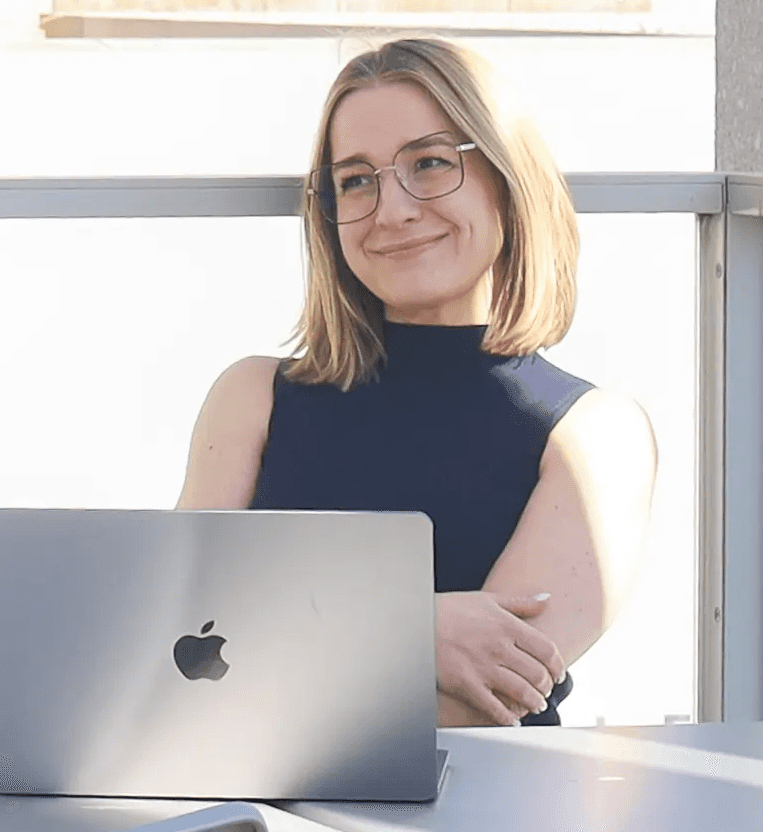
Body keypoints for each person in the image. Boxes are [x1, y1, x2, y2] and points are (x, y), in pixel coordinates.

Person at [177, 37, 657, 727]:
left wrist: (281, 630)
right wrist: (413, 629)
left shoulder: (595, 434)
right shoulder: (250, 397)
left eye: (429, 164)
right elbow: (182, 656)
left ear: (506, 177)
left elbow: (478, 706)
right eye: (355, 179)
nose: (391, 209)